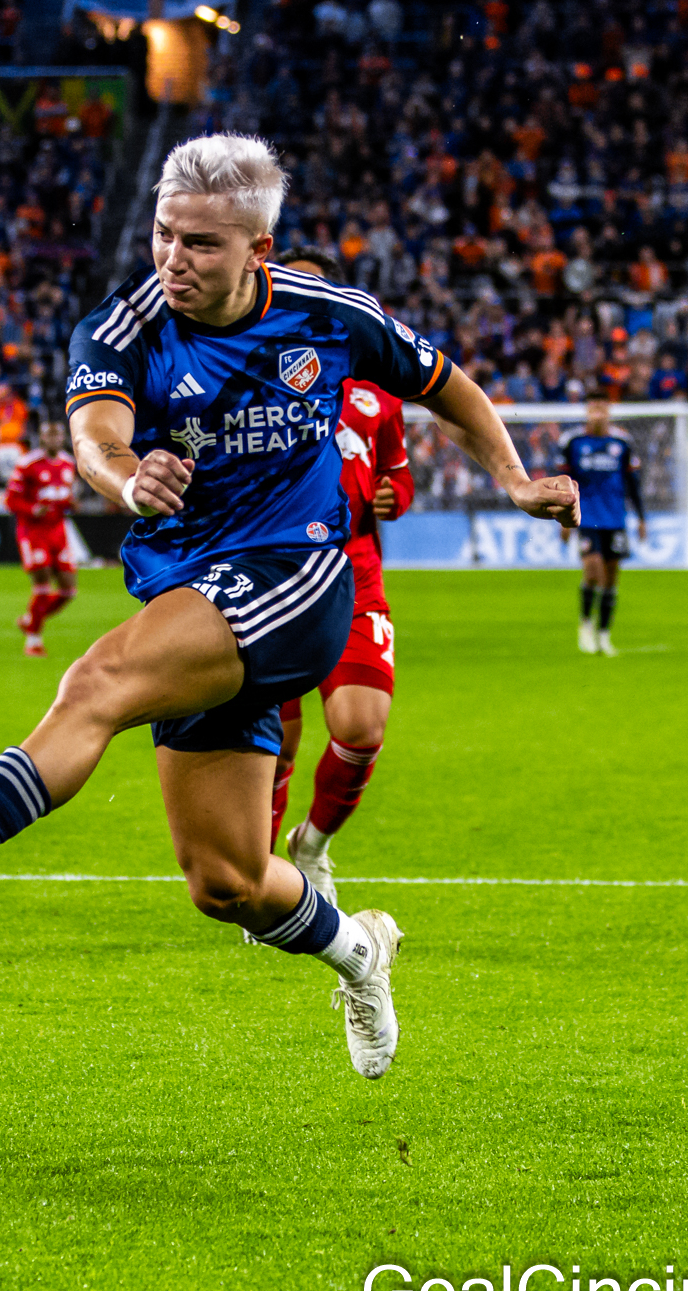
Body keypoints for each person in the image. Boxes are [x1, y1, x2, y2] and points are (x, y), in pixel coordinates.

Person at [0, 135, 577, 1084]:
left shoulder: (330, 317)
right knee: (226, 881)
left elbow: (448, 387)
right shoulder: (121, 328)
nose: (172, 259)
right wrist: (125, 478)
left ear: (258, 252)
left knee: (99, 679)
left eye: (199, 242)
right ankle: (361, 953)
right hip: (192, 592)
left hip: (301, 575)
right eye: (163, 234)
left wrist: (515, 479)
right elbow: (94, 434)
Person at [265, 249, 414, 894]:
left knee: (361, 729)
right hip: (270, 566)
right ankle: (259, 875)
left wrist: (393, 497)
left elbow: (398, 475)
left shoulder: (378, 392)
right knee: (276, 740)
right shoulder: (255, 376)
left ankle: (312, 845)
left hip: (353, 565)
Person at [559, 397, 643, 657]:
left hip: (615, 519)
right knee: (593, 570)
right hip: (586, 518)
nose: (597, 414)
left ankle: (604, 635)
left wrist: (641, 518)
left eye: (602, 408)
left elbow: (632, 483)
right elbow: (564, 481)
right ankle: (585, 624)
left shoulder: (622, 443)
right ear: (587, 411)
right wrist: (564, 519)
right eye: (593, 408)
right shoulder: (573, 443)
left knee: (611, 578)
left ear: (609, 411)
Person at [5, 421, 78, 657]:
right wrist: (33, 509)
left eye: (57, 435)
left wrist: (70, 504)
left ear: (63, 438)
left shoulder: (68, 463)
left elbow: (64, 497)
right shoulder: (28, 464)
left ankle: (30, 619)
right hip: (33, 533)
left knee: (68, 591)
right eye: (49, 435)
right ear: (42, 438)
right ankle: (33, 640)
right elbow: (11, 500)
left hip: (58, 531)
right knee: (43, 587)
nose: (54, 439)